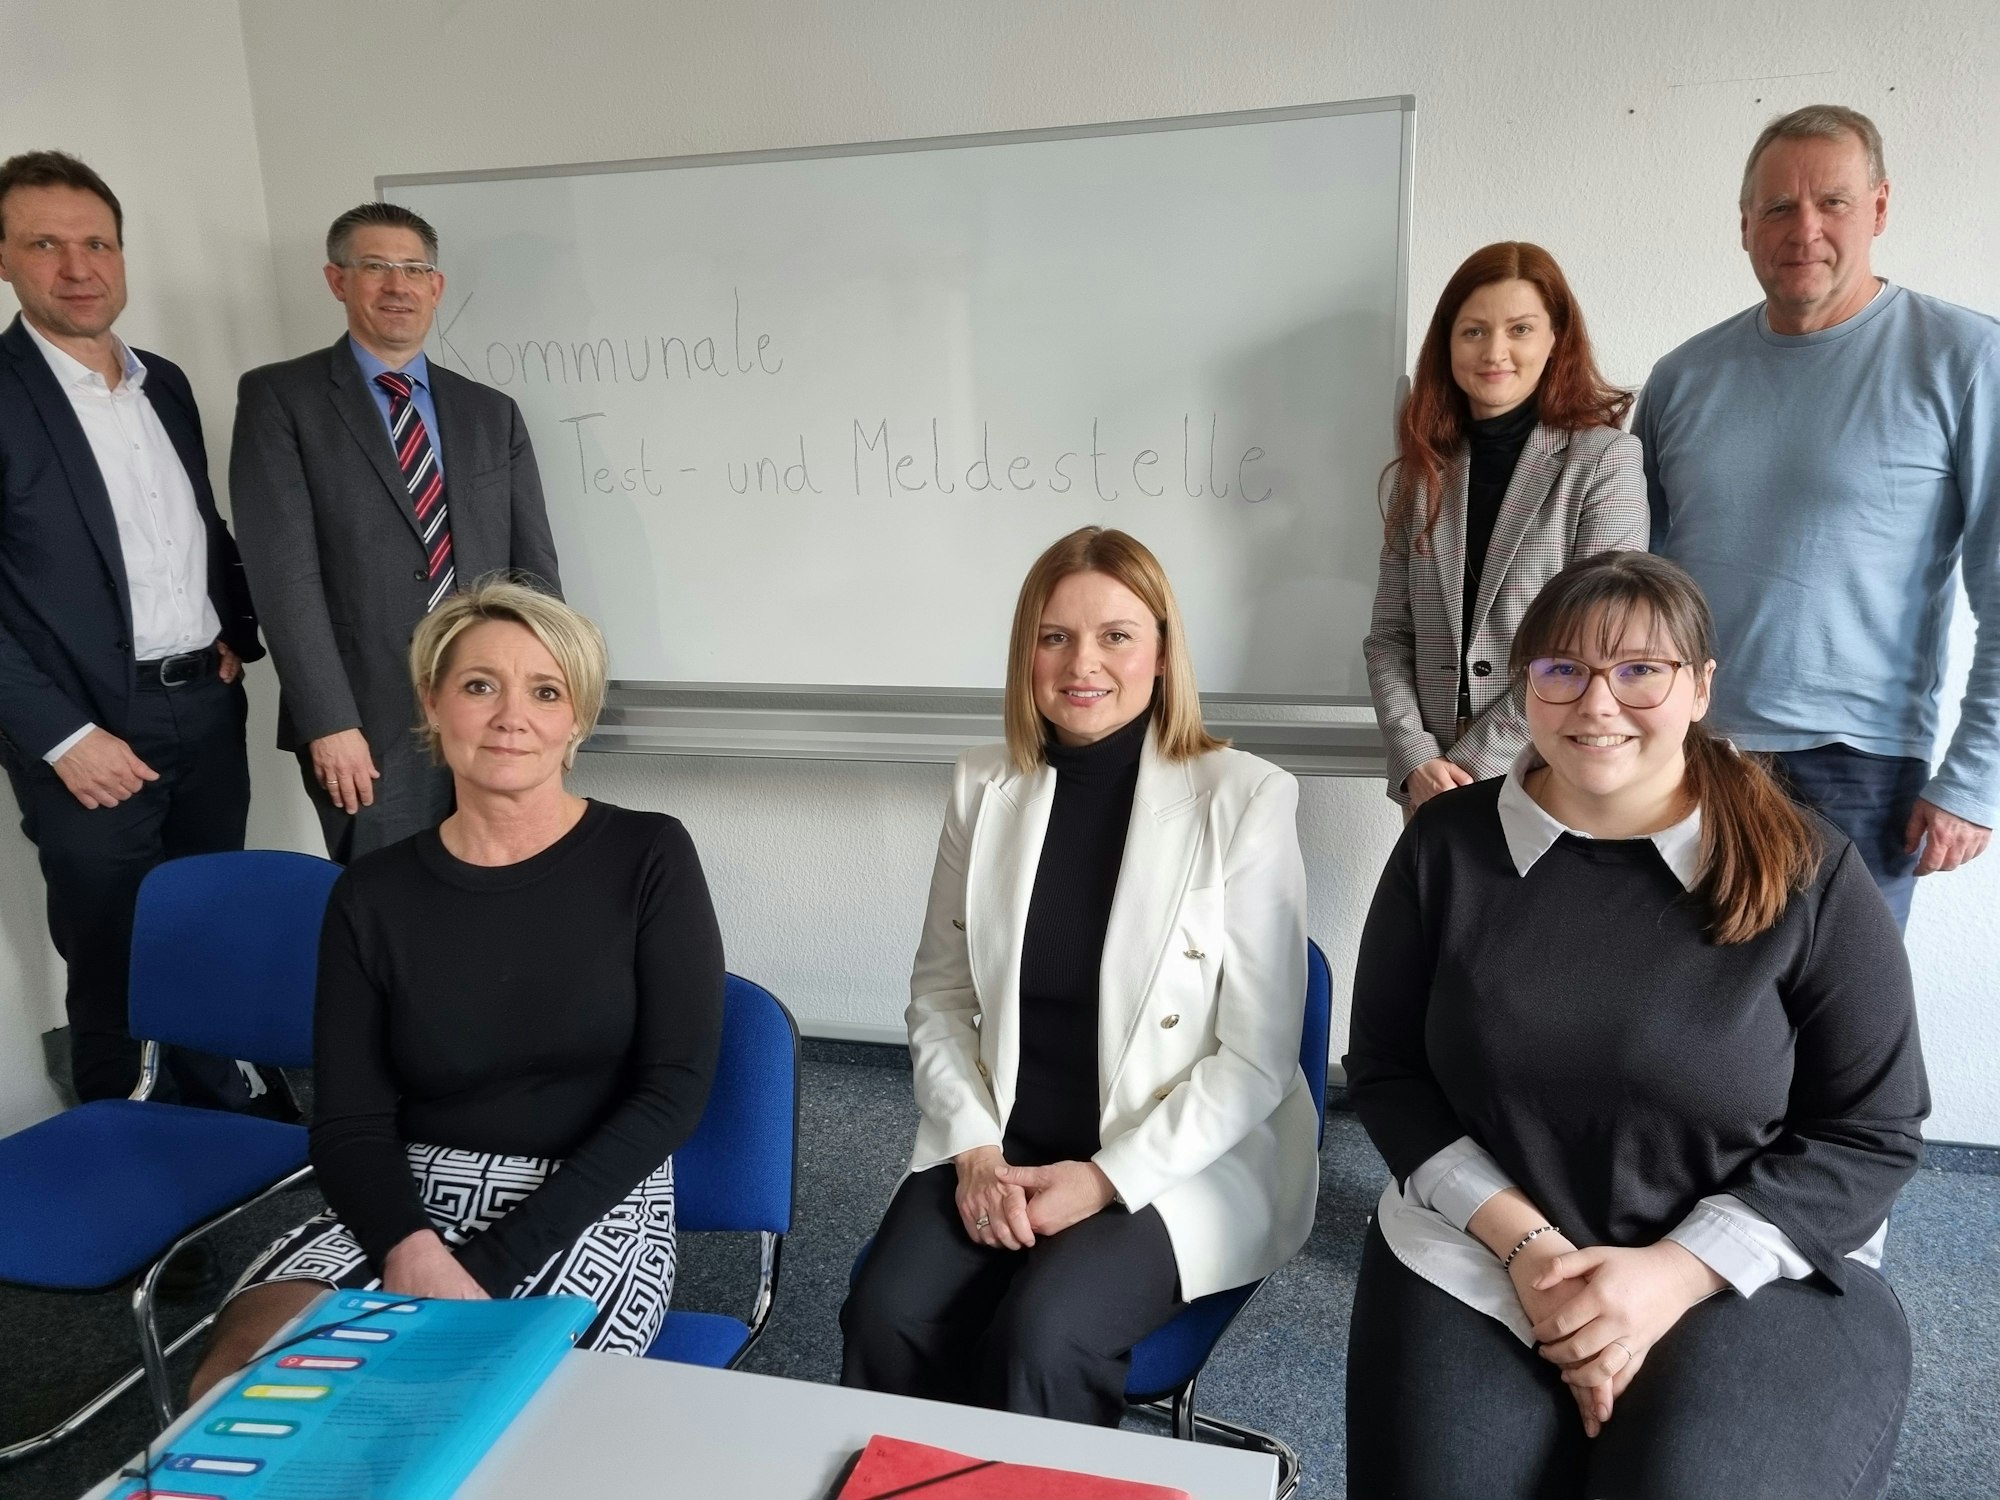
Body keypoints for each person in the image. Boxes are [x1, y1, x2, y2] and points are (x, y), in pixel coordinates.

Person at [1343, 551, 1928, 1499]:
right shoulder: (1444, 850)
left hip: (1755, 1265)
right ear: (1528, 687)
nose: (1597, 704)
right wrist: (1533, 1254)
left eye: (1639, 671)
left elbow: (1871, 1131)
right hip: (1483, 1250)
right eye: (1563, 670)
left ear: (1699, 687)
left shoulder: (1807, 870)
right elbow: (1387, 1074)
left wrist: (1667, 1277)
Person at [189, 579, 724, 1399]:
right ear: (432, 703)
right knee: (241, 1381)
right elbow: (350, 1119)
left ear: (575, 719)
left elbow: (674, 1091)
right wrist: (410, 1247)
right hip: (403, 1198)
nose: (512, 716)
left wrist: (485, 1267)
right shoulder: (373, 893)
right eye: (480, 685)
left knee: (454, 1406)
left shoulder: (650, 855)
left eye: (546, 691)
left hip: (588, 1200)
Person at [840, 526, 1317, 1427]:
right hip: (1001, 1138)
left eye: (1116, 635)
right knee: (887, 1312)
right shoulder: (984, 784)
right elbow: (941, 998)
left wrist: (1103, 1180)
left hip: (1170, 1153)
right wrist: (975, 1152)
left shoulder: (1245, 796)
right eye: (1054, 636)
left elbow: (1257, 1058)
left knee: (1044, 1334)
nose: (1081, 663)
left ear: (1164, 654)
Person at [1638, 104, 1999, 926]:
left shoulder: (1965, 359)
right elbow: (1637, 593)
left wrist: (1975, 779)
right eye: (1777, 207)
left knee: (1841, 1039)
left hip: (1861, 773)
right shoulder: (1682, 378)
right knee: (1690, 1038)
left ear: (1878, 207)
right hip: (1693, 758)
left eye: (1831, 202)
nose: (1803, 228)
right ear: (1743, 226)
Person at [0, 150, 268, 1106]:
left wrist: (232, 631)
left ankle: (215, 1135)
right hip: (83, 735)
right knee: (117, 960)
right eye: (45, 244)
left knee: (207, 933)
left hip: (204, 707)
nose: (78, 267)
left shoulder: (166, 384)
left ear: (122, 254)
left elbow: (196, 524)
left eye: (97, 243)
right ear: (5, 260)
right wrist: (64, 740)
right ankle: (129, 1192)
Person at [230, 202, 561, 863]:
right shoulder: (281, 400)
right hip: (367, 724)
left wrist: (541, 711)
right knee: (390, 913)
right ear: (337, 281)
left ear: (436, 287)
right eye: (375, 267)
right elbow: (283, 577)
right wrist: (329, 721)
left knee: (501, 899)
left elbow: (534, 581)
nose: (397, 285)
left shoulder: (490, 414)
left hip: (493, 718)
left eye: (414, 269)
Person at [1365, 241, 1647, 813]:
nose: (1495, 351)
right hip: (1431, 784)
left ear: (1554, 340)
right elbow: (1390, 638)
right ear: (1447, 343)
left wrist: (1472, 767)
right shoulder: (1418, 477)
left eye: (1520, 329)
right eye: (1473, 331)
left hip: (1554, 767)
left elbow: (1596, 644)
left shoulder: (1604, 461)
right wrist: (1416, 759)